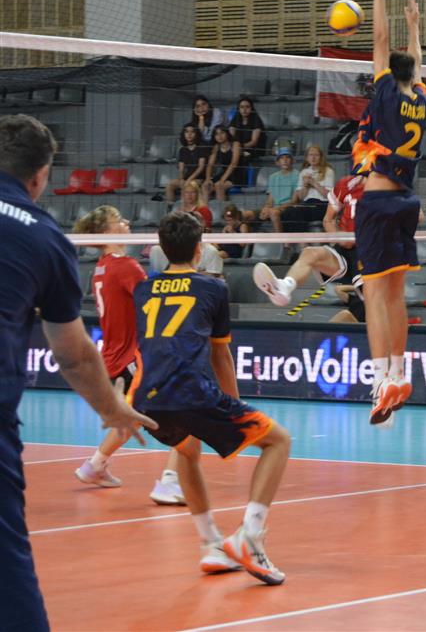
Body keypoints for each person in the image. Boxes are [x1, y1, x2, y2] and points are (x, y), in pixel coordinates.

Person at [0, 114, 155, 630]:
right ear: (41, 176)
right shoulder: (46, 238)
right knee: (9, 574)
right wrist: (115, 412)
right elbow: (72, 354)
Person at [131, 211, 292, 582]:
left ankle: (211, 545)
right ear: (199, 250)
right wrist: (236, 405)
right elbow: (220, 355)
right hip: (189, 391)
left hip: (145, 397)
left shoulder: (142, 289)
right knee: (278, 442)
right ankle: (250, 537)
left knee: (187, 450)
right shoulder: (213, 288)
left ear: (160, 250)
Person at [349, 0, 426, 425]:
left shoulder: (385, 92)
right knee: (396, 294)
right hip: (406, 201)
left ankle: (380, 380)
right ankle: (398, 373)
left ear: (386, 74)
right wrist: (415, 26)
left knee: (375, 295)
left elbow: (380, 39)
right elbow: (415, 63)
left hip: (378, 199)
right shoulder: (419, 96)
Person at [70, 206, 187, 505]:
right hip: (132, 360)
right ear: (107, 231)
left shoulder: (101, 267)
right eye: (119, 220)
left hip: (112, 359)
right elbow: (155, 307)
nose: (127, 222)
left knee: (131, 418)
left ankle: (95, 466)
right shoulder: (126, 266)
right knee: (188, 413)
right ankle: (170, 482)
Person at [254, 173, 368, 325]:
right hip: (345, 248)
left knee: (371, 307)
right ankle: (283, 287)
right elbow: (328, 219)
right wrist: (339, 237)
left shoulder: (386, 187)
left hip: (371, 250)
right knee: (310, 253)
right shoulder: (346, 184)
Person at [281, 144, 334, 232]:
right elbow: (301, 197)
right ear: (307, 158)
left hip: (322, 205)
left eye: (316, 155)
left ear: (321, 157)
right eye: (311, 155)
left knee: (297, 212)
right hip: (307, 203)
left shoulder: (328, 171)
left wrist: (314, 183)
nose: (313, 158)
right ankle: (289, 240)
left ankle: (302, 239)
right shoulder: (303, 172)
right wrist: (305, 186)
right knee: (286, 212)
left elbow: (329, 195)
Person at [251, 146, 300, 234]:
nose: (285, 160)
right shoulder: (273, 177)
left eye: (287, 157)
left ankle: (280, 240)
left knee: (274, 213)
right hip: (274, 208)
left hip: (288, 208)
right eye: (282, 158)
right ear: (277, 162)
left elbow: (294, 201)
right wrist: (266, 208)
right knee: (246, 215)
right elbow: (270, 199)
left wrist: (274, 208)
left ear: (292, 161)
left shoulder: (297, 175)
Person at [162, 124, 208, 203]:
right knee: (169, 185)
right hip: (186, 177)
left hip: (199, 178)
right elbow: (181, 168)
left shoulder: (201, 149)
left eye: (192, 132)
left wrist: (189, 179)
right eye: (187, 132)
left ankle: (185, 207)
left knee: (188, 185)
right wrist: (182, 179)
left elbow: (201, 167)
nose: (189, 134)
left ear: (196, 134)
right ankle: (170, 206)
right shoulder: (182, 150)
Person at [202, 124, 243, 203]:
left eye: (222, 133)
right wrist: (208, 179)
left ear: (227, 133)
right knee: (205, 186)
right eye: (216, 134)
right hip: (223, 174)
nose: (219, 136)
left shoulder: (235, 144)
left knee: (219, 186)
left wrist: (222, 180)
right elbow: (210, 165)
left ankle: (220, 209)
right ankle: (205, 209)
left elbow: (234, 163)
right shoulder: (216, 147)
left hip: (236, 174)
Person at [228, 95, 267, 166]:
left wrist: (239, 148)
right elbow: (231, 137)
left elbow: (254, 142)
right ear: (238, 109)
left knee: (240, 158)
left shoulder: (256, 120)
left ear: (251, 108)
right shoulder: (235, 119)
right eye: (242, 107)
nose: (244, 109)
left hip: (253, 150)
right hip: (238, 149)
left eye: (247, 107)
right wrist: (235, 148)